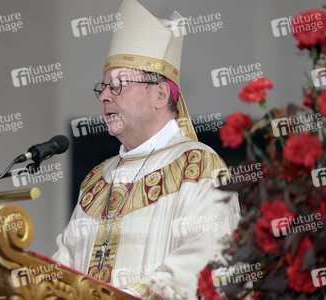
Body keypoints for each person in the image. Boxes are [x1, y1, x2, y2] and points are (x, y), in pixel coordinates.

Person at [53, 0, 240, 298]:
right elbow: (62, 268)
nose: (103, 96)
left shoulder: (199, 167)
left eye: (117, 86)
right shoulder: (96, 181)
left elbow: (202, 264)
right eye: (102, 87)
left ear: (160, 94)